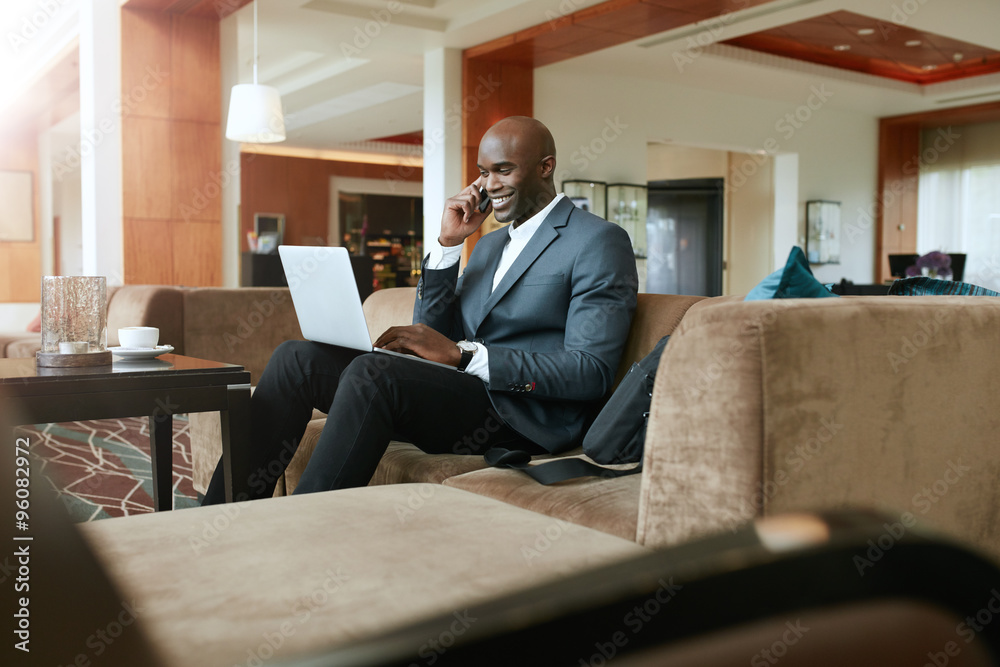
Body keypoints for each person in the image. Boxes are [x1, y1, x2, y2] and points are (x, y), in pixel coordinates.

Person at [202, 116, 638, 504]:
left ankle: (302, 530)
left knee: (373, 374)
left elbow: (591, 370)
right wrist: (448, 246)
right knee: (296, 358)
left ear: (546, 167)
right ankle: (222, 513)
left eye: (505, 170)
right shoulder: (486, 245)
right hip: (459, 396)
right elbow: (430, 331)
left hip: (521, 415)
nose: (489, 185)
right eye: (484, 173)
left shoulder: (597, 241)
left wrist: (466, 356)